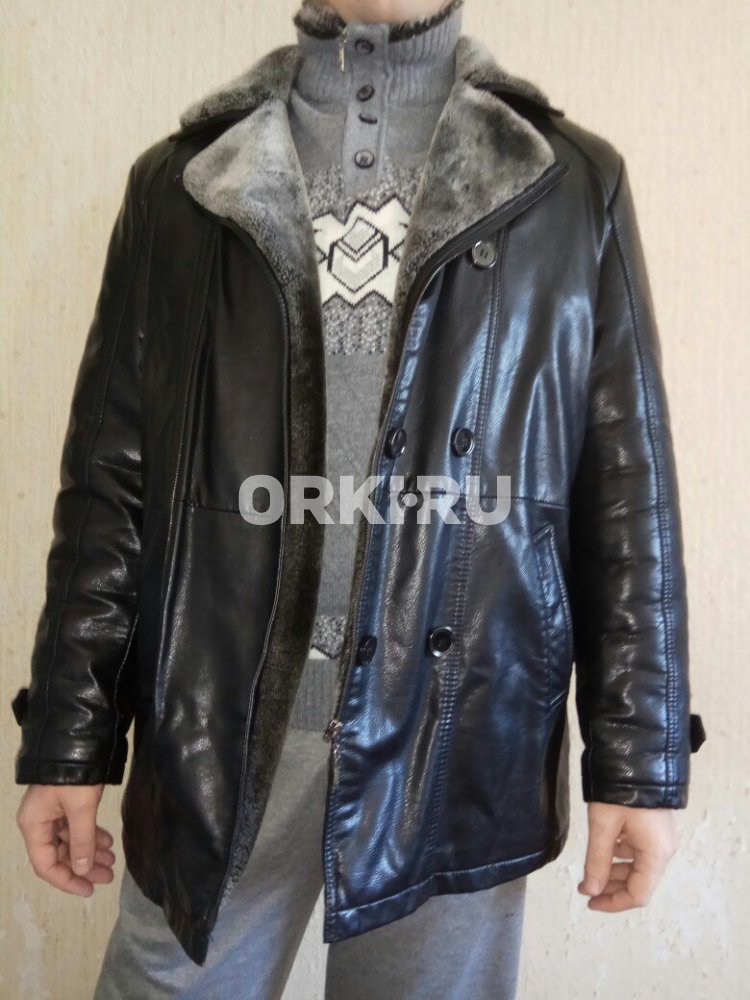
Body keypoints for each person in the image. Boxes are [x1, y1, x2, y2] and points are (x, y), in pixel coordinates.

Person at [11, 0, 706, 997]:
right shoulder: (185, 186)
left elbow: (626, 492)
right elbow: (110, 487)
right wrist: (68, 735)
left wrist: (639, 758)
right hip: (214, 735)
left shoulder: (564, 181)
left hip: (457, 739)